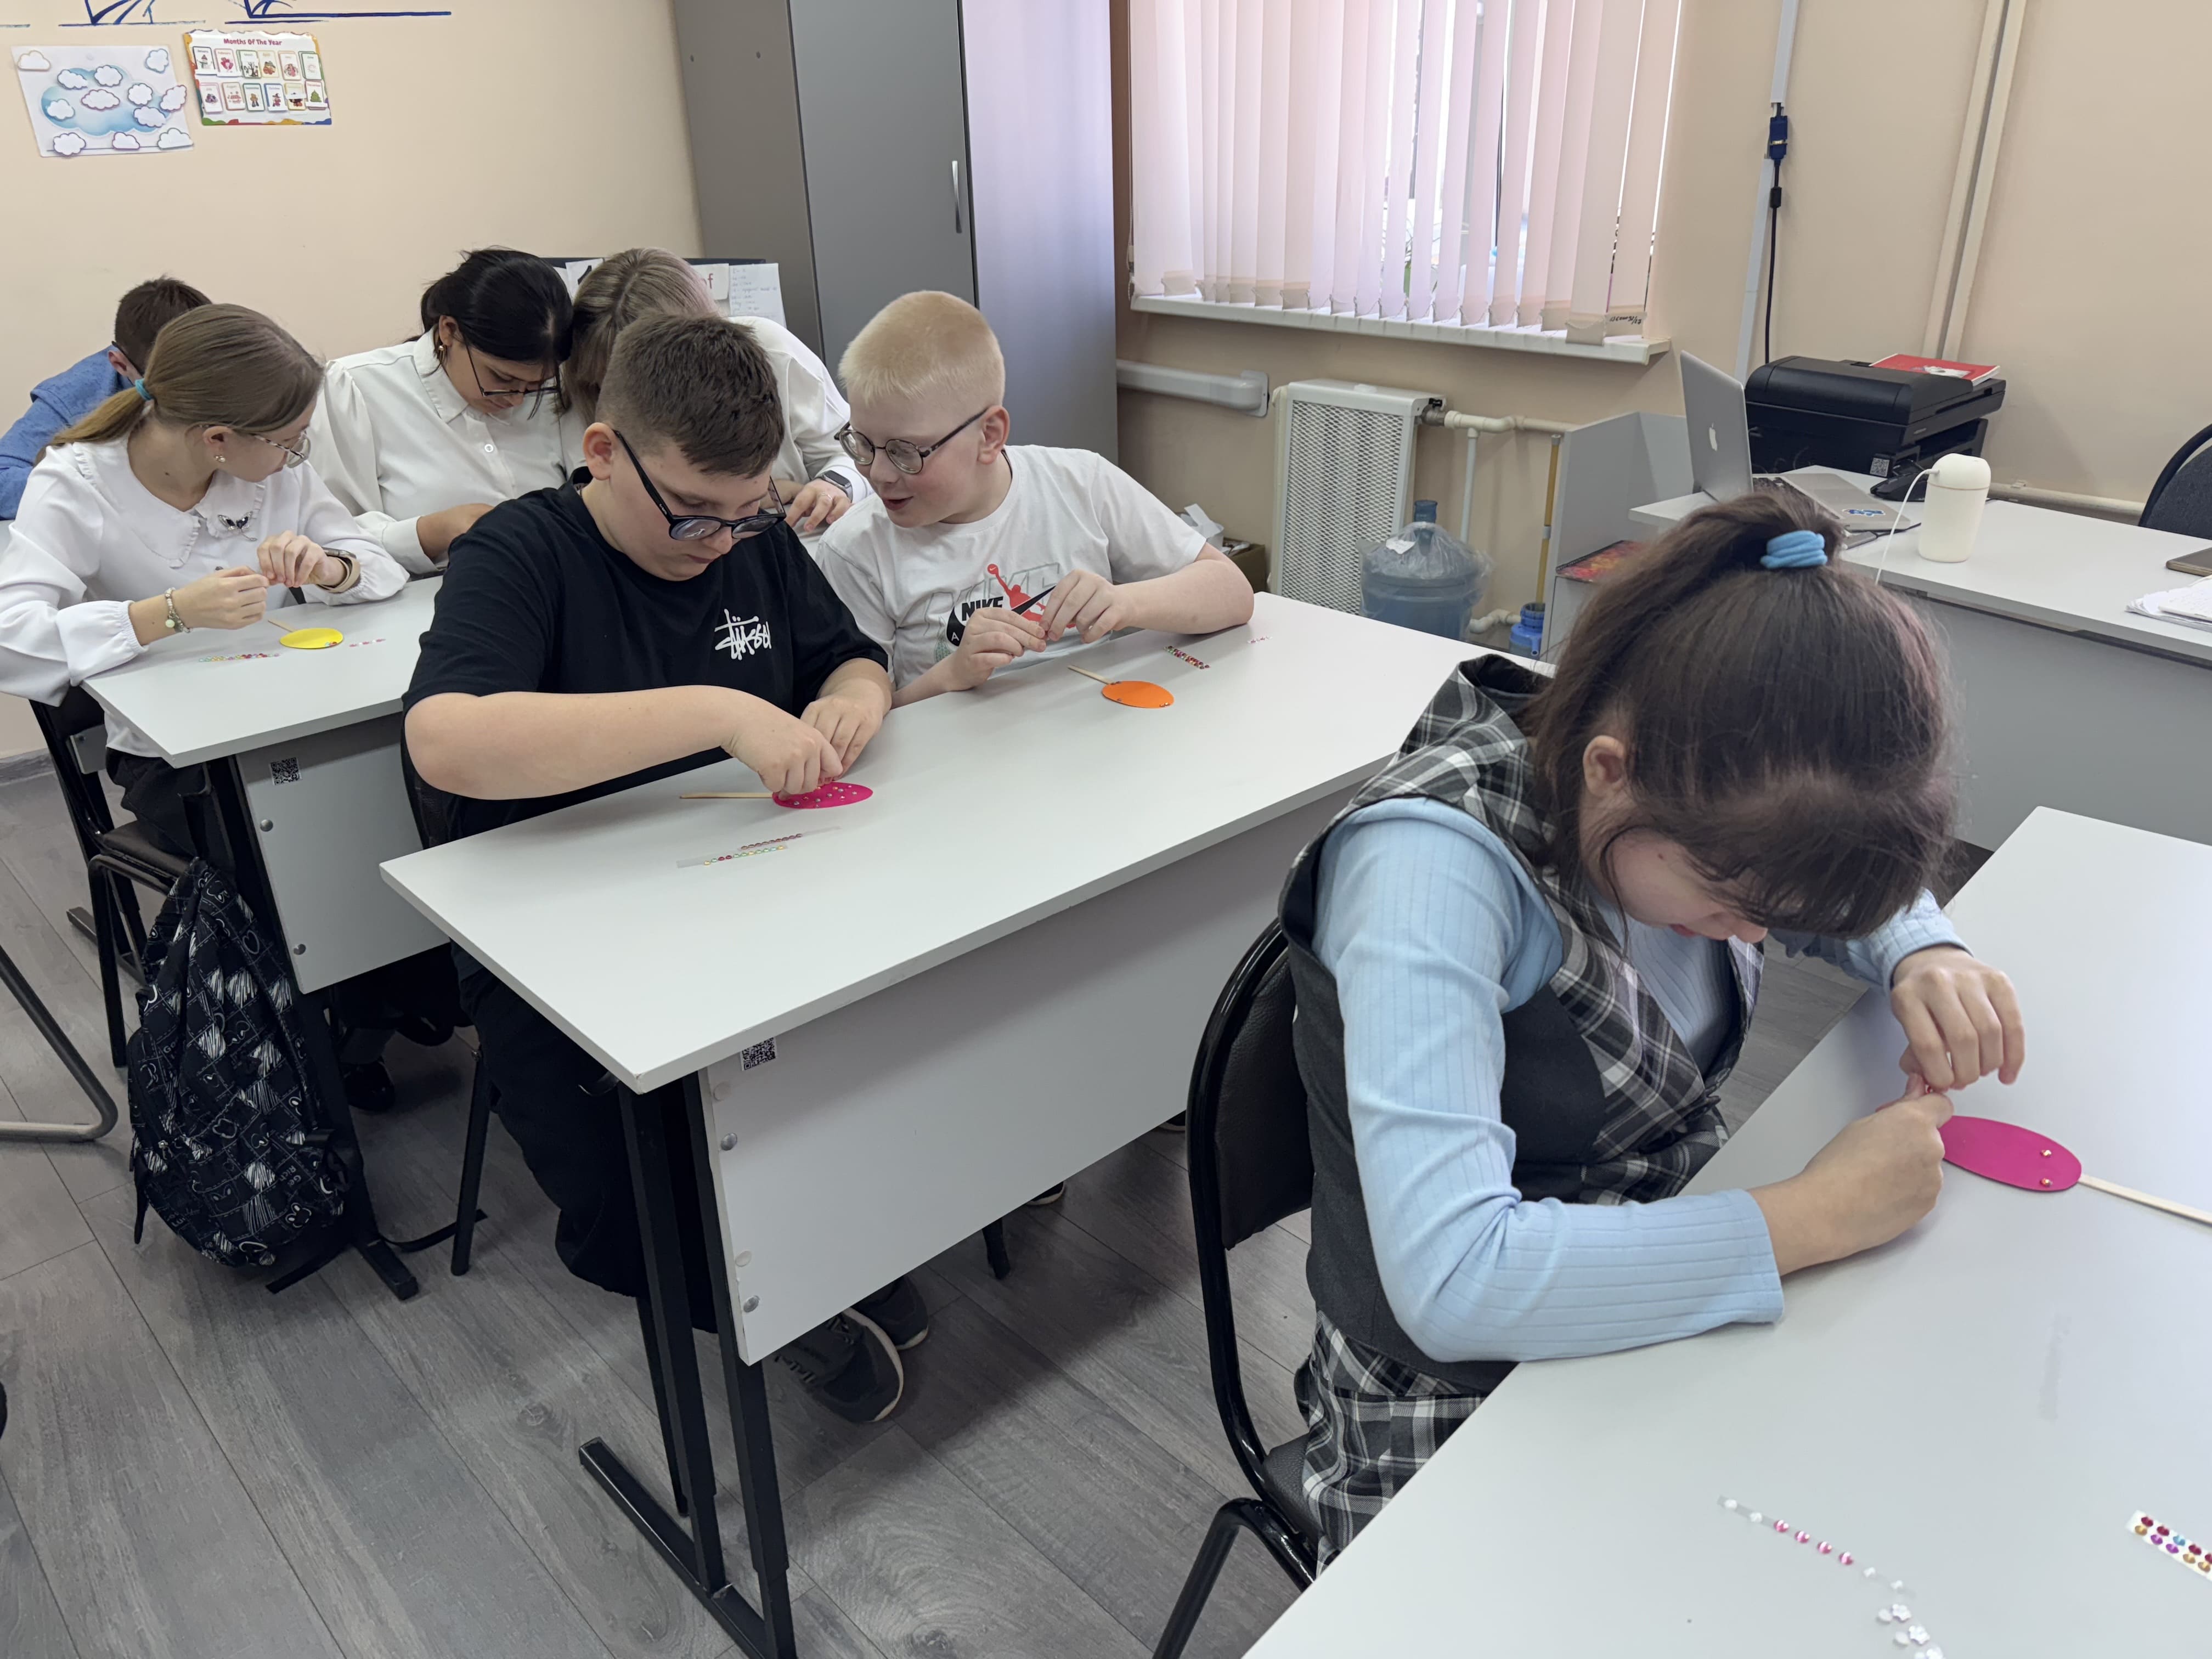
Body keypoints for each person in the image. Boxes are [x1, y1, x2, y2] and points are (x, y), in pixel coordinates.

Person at [1282, 490, 2028, 1562]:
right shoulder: (1428, 872)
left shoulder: (1681, 781)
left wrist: (1921, 948)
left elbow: (1800, 859)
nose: (1759, 932)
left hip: (1654, 1248)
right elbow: (1455, 1282)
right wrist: (1817, 1213)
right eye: (1731, 901)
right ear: (1610, 771)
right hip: (1450, 1383)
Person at [402, 314, 915, 1423]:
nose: (719, 541)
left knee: (858, 1066)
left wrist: (853, 696)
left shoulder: (749, 536)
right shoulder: (522, 552)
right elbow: (444, 738)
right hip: (559, 941)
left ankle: (834, 1242)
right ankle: (750, 1299)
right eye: (692, 512)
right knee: (627, 1186)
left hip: (752, 892)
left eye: (747, 511)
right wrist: (718, 710)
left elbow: (849, 657)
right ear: (602, 452)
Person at [0, 304, 405, 854]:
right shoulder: (76, 483)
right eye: (289, 442)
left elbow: (376, 564)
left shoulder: (275, 468)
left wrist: (331, 569)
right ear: (217, 438)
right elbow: (11, 638)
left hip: (303, 710)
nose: (296, 456)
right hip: (180, 754)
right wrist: (167, 615)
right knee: (317, 841)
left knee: (412, 789)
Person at [815, 291, 1253, 706]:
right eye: (862, 443)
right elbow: (865, 718)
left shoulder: (1082, 483)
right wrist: (951, 675)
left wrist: (1127, 602)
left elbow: (1233, 593)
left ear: (990, 436)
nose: (879, 473)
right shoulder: (855, 550)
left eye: (905, 451)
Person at [562, 247, 868, 535]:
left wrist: (832, 486)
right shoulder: (572, 400)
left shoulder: (772, 352)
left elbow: (854, 451)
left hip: (794, 539)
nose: (636, 393)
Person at [308, 248, 575, 575]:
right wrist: (432, 533)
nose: (518, 400)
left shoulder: (560, 389)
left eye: (536, 386)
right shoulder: (356, 389)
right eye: (502, 378)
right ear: (449, 330)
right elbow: (329, 542)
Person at [0, 276, 210, 517]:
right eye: (175, 384)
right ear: (120, 364)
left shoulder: (234, 367)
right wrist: (108, 486)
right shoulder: (74, 394)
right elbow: (3, 482)